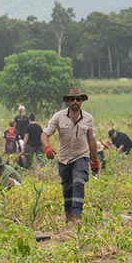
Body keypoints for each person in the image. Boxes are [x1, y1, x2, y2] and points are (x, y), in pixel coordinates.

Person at [42, 87, 99, 224]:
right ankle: (68, 215)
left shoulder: (88, 118)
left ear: (81, 101)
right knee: (67, 187)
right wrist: (48, 147)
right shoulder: (58, 116)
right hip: (63, 159)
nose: (75, 102)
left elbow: (91, 140)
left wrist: (95, 160)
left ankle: (77, 215)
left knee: (79, 182)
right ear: (68, 101)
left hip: (81, 156)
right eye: (72, 99)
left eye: (78, 99)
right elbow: (45, 134)